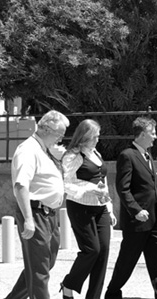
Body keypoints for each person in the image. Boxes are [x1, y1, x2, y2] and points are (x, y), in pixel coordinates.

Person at [104, 117, 157, 299]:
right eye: (152, 133)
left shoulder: (147, 155)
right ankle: (112, 293)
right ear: (142, 134)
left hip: (155, 220)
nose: (155, 137)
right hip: (137, 222)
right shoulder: (127, 155)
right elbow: (123, 188)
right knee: (126, 262)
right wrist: (136, 210)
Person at [5, 110, 70, 299]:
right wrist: (28, 219)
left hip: (49, 214)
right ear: (46, 128)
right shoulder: (28, 149)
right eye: (59, 133)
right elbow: (20, 185)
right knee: (39, 271)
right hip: (36, 213)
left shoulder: (43, 149)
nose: (61, 138)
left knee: (43, 264)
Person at [59, 119, 117, 299]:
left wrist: (109, 207)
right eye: (94, 137)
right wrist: (88, 188)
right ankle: (68, 285)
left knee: (104, 251)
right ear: (84, 136)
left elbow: (103, 183)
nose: (97, 140)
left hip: (100, 208)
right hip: (80, 208)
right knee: (92, 250)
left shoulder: (96, 153)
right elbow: (66, 183)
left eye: (98, 136)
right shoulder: (72, 156)